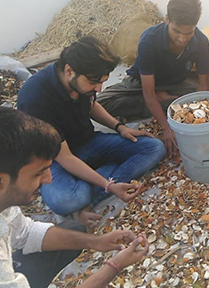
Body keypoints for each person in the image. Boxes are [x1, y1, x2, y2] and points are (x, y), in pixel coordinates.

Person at [0, 106, 150, 288]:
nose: (48, 179)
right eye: (37, 174)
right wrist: (114, 266)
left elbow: (26, 233)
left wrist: (97, 242)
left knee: (75, 228)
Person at [17, 37, 165, 229]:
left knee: (154, 147)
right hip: (54, 160)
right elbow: (65, 158)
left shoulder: (82, 82)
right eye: (94, 82)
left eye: (102, 82)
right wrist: (108, 186)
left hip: (87, 142)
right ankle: (100, 178)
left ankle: (89, 193)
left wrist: (119, 127)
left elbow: (92, 105)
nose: (99, 88)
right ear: (69, 70)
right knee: (66, 200)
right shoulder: (35, 96)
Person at [97, 0, 209, 156]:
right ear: (167, 20)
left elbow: (203, 85)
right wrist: (166, 128)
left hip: (177, 82)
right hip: (142, 82)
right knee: (101, 104)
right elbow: (148, 92)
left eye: (188, 33)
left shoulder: (201, 41)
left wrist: (200, 121)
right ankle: (162, 102)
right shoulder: (149, 40)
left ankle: (160, 103)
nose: (182, 39)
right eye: (177, 31)